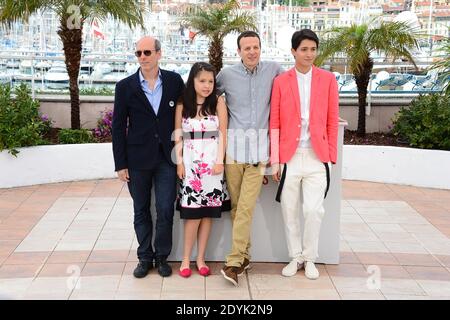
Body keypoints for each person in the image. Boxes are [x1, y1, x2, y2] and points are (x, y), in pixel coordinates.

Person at [112, 36, 185, 278]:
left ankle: (162, 257)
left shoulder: (174, 81)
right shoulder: (125, 87)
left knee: (165, 209)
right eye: (138, 53)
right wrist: (120, 164)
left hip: (167, 158)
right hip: (137, 160)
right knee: (141, 210)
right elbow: (118, 127)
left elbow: (187, 112)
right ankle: (144, 257)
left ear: (158, 54)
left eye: (147, 52)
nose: (142, 57)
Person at [270, 29, 339, 279]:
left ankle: (310, 257)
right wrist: (275, 159)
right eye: (304, 49)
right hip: (289, 157)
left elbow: (332, 120)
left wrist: (330, 157)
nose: (309, 54)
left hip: (317, 157)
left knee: (313, 210)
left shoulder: (328, 79)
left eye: (313, 49)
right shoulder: (281, 81)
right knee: (289, 210)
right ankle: (295, 256)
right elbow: (274, 122)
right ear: (294, 52)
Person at [217, 31, 283, 286]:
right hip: (233, 152)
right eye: (247, 48)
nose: (252, 52)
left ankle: (233, 263)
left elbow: (290, 94)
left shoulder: (274, 70)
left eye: (256, 47)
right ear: (239, 51)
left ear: (260, 48)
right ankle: (245, 257)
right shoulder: (226, 75)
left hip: (259, 154)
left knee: (245, 208)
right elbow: (208, 93)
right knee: (236, 208)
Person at [174, 62, 229, 278]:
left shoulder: (218, 102)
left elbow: (223, 133)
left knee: (207, 215)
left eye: (210, 81)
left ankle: (201, 258)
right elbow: (177, 134)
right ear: (193, 81)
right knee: (193, 215)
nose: (207, 85)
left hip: (213, 168)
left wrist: (220, 161)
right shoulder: (182, 103)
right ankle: (186, 258)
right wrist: (179, 162)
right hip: (190, 167)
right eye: (202, 81)